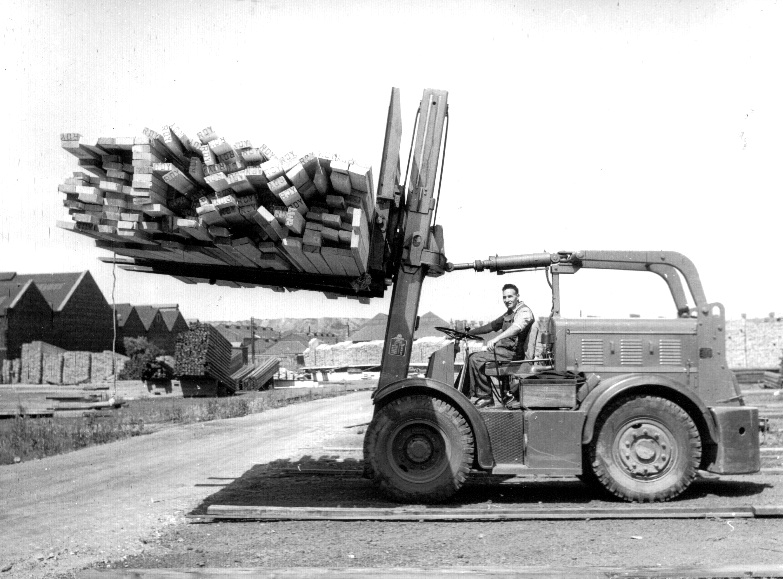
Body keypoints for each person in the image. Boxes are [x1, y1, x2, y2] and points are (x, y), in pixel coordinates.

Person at [462, 283, 535, 408]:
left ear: (518, 296)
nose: (507, 300)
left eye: (510, 297)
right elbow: (491, 326)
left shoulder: (523, 311)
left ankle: (485, 396)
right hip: (503, 351)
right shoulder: (509, 313)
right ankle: (464, 394)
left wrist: (496, 339)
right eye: (504, 297)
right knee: (472, 357)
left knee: (475, 359)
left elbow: (516, 328)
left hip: (513, 354)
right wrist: (468, 333)